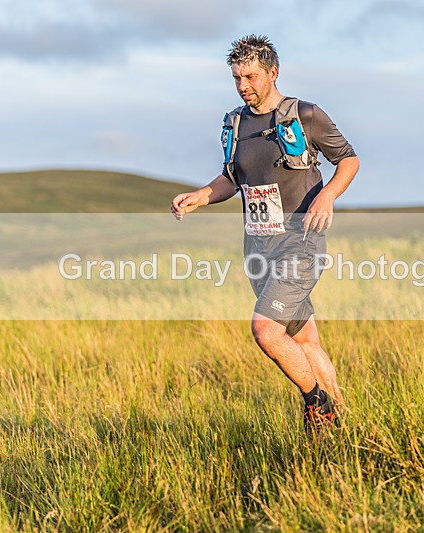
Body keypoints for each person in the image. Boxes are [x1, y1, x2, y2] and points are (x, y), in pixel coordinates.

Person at [171, 35, 360, 435]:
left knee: (265, 330)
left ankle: (317, 403)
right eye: (237, 77)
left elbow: (348, 160)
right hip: (258, 247)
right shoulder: (234, 123)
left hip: (300, 242)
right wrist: (200, 197)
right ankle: (344, 424)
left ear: (273, 72)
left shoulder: (305, 114)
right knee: (305, 340)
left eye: (251, 76)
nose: (244, 85)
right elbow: (231, 180)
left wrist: (326, 196)